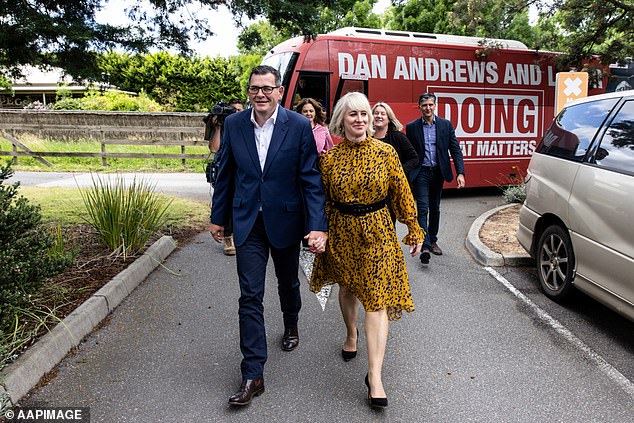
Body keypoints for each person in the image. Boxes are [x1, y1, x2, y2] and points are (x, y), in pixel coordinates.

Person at [209, 65, 328, 407]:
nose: (259, 94)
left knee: (287, 282)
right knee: (249, 296)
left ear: (279, 90)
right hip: (248, 222)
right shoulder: (234, 125)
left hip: (286, 221)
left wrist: (317, 225)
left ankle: (291, 324)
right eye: (253, 88)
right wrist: (219, 218)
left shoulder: (298, 125)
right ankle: (253, 373)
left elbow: (310, 179)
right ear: (248, 92)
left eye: (266, 88)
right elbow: (226, 173)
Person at [309, 92, 424, 409]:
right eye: (352, 114)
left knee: (376, 301)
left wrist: (414, 228)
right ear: (341, 120)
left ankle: (375, 376)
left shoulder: (387, 153)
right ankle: (351, 334)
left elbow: (402, 193)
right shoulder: (330, 159)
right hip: (343, 231)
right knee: (347, 289)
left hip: (378, 233)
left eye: (364, 113)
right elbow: (322, 201)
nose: (360, 119)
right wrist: (320, 233)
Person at [406, 92, 465, 265]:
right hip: (421, 173)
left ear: (435, 105)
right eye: (424, 105)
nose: (427, 108)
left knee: (435, 208)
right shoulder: (412, 127)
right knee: (423, 208)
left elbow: (455, 150)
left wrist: (460, 173)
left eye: (430, 105)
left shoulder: (446, 126)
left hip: (438, 172)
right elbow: (408, 152)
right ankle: (425, 245)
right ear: (419, 107)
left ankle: (433, 240)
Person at [207, 98, 244, 255]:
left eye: (239, 110)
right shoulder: (223, 126)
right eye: (233, 110)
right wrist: (218, 127)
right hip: (223, 168)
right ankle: (228, 236)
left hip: (241, 170)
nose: (236, 113)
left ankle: (239, 234)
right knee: (226, 200)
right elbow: (215, 148)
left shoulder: (247, 125)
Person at [372, 102, 418, 221]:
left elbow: (414, 158)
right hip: (372, 190)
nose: (379, 116)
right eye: (376, 113)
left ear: (389, 118)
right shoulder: (366, 138)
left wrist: (397, 172)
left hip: (392, 190)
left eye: (383, 114)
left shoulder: (398, 137)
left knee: (389, 223)